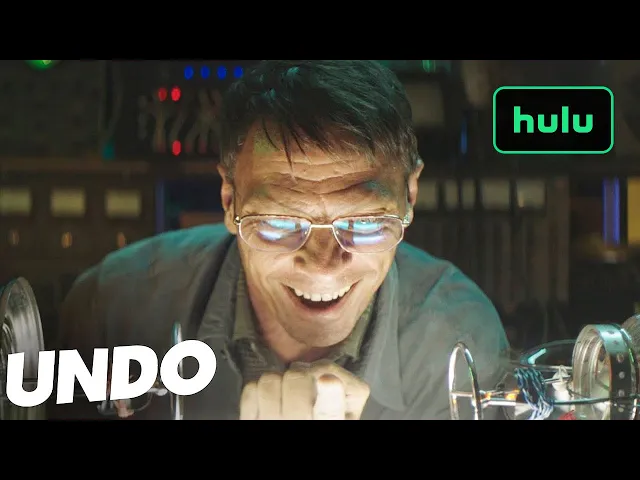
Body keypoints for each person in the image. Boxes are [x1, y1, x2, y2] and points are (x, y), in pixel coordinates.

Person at [57, 60, 509, 420]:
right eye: (279, 223)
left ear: (409, 197)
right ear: (230, 201)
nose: (323, 264)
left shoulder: (456, 348)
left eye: (364, 223)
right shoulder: (112, 310)